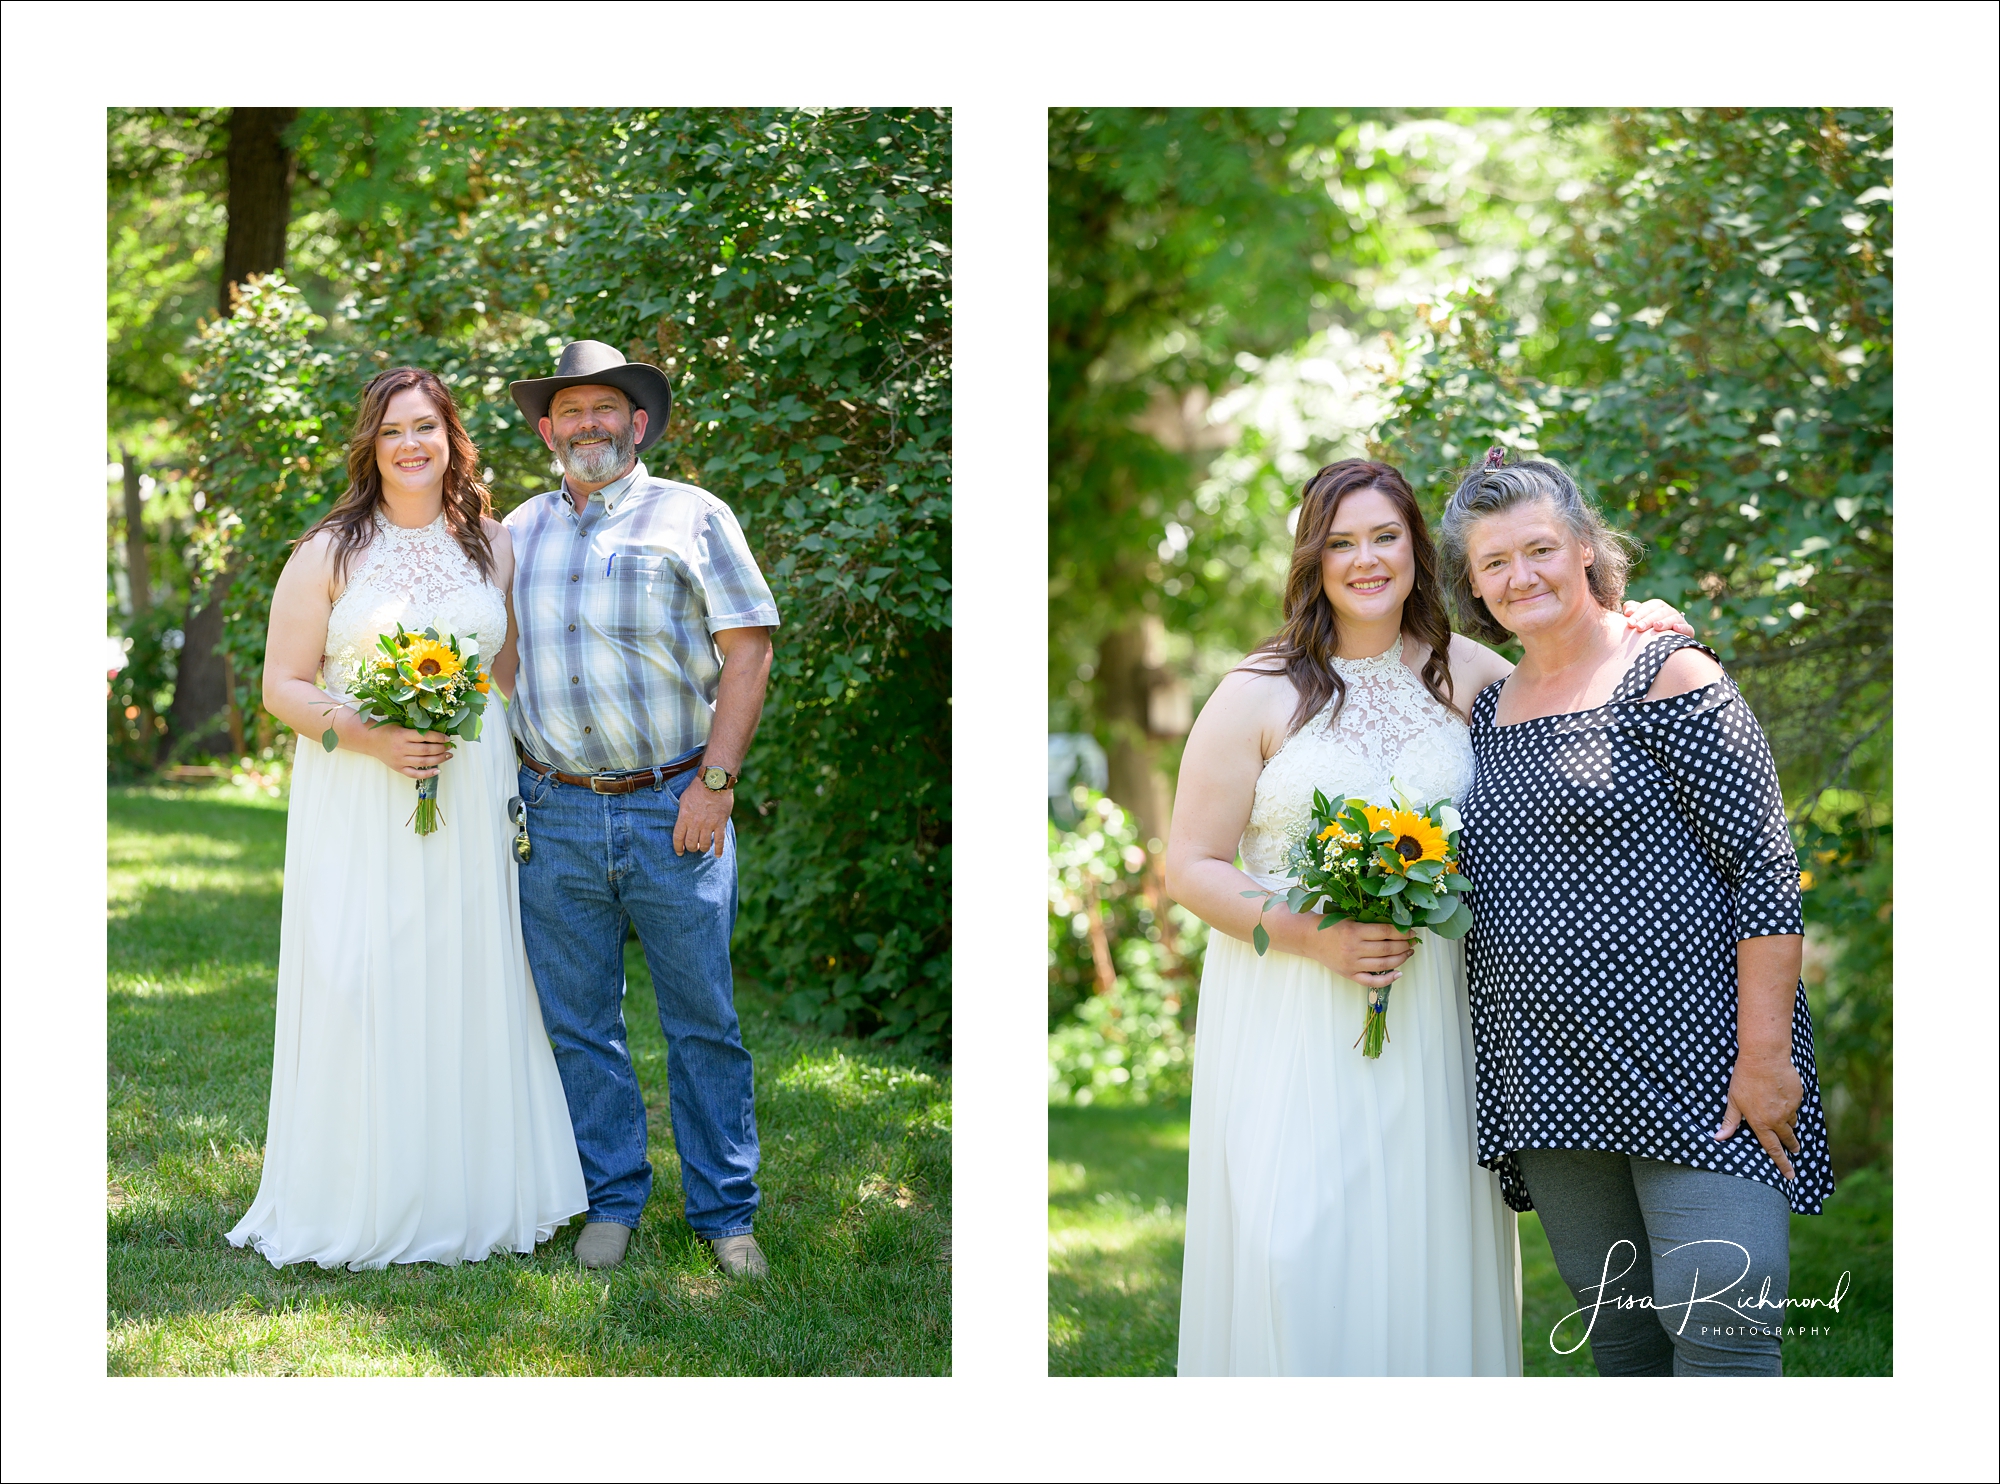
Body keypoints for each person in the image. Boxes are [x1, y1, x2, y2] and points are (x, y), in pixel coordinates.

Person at [1165, 458, 1692, 1375]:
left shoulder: (1475, 673)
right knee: (1297, 1253)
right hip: (1291, 1008)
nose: (1365, 560)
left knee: (1425, 1237)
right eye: (1341, 542)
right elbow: (1189, 864)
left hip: (1436, 1005)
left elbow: (1582, 666)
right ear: (1312, 558)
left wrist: (1640, 621)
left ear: (1417, 549)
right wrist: (1308, 933)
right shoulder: (1254, 691)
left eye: (1385, 536)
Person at [1443, 449, 1832, 1376]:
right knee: (1622, 1351)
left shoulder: (1672, 674)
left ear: (1585, 548)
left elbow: (1764, 875)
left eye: (1538, 549)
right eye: (1494, 563)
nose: (1519, 576)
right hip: (1550, 1087)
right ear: (1473, 585)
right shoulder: (1487, 707)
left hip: (1701, 1075)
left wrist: (1767, 1060)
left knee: (1724, 1339)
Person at [231, 367, 586, 1269]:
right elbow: (282, 685)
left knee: (468, 969)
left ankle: (469, 1188)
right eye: (393, 431)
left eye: (426, 426)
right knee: (364, 971)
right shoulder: (331, 550)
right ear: (372, 446)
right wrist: (371, 735)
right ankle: (362, 1189)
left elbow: (501, 674)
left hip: (470, 786)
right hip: (359, 791)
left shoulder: (491, 544)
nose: (411, 444)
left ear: (451, 436)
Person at [504, 341, 779, 1276]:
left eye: (605, 410)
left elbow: (748, 651)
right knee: (581, 1021)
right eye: (570, 411)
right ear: (548, 430)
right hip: (557, 811)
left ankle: (725, 1215)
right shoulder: (516, 531)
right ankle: (611, 1198)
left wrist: (716, 783)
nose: (588, 425)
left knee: (703, 1019)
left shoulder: (692, 516)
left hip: (676, 805)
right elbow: (496, 658)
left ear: (639, 423)